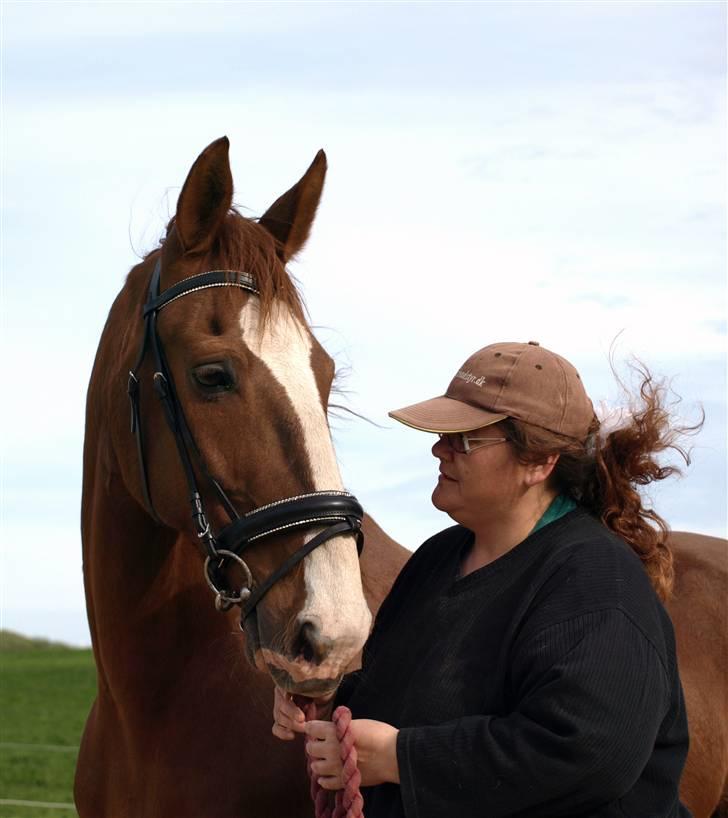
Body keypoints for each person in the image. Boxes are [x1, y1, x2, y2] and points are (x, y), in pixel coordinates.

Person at [273, 340, 693, 817]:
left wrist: (399, 758)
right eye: (441, 433)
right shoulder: (439, 557)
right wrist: (326, 710)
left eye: (465, 439)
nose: (439, 448)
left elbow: (587, 753)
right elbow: (396, 694)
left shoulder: (600, 582)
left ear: (539, 462)